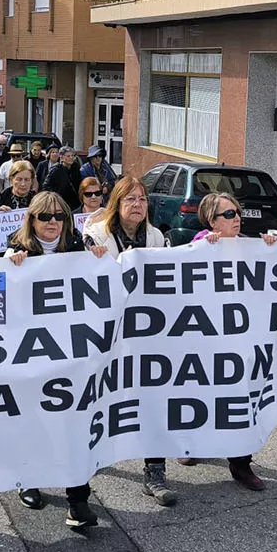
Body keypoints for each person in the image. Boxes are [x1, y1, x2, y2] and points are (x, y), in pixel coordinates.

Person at [3, 192, 110, 529]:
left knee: (74, 425)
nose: (52, 222)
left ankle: (77, 501)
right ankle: (28, 479)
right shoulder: (15, 252)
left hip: (70, 355)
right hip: (32, 356)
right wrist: (11, 270)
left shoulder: (79, 249)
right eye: (45, 216)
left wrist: (98, 260)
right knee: (32, 421)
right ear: (31, 220)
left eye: (59, 217)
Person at [174, 191, 277, 491]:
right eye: (229, 214)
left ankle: (240, 462)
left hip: (239, 337)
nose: (237, 219)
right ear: (212, 221)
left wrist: (270, 248)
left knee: (239, 397)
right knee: (201, 393)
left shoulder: (249, 246)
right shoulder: (199, 245)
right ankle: (190, 444)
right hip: (205, 337)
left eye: (238, 213)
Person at [84, 177, 178, 506]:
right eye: (130, 199)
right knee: (98, 397)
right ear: (117, 203)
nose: (137, 204)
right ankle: (87, 459)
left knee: (153, 398)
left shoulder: (156, 237)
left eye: (142, 199)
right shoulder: (96, 236)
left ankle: (155, 471)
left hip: (146, 334)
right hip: (105, 335)